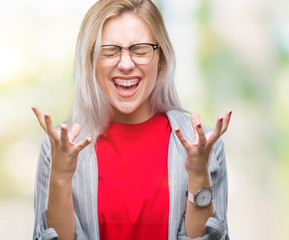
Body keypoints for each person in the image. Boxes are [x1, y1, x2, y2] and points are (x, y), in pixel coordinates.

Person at [32, 0, 232, 239]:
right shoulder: (57, 149)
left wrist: (199, 174)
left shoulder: (204, 145)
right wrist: (62, 178)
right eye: (110, 51)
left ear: (162, 59)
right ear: (91, 60)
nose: (126, 64)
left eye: (140, 50)